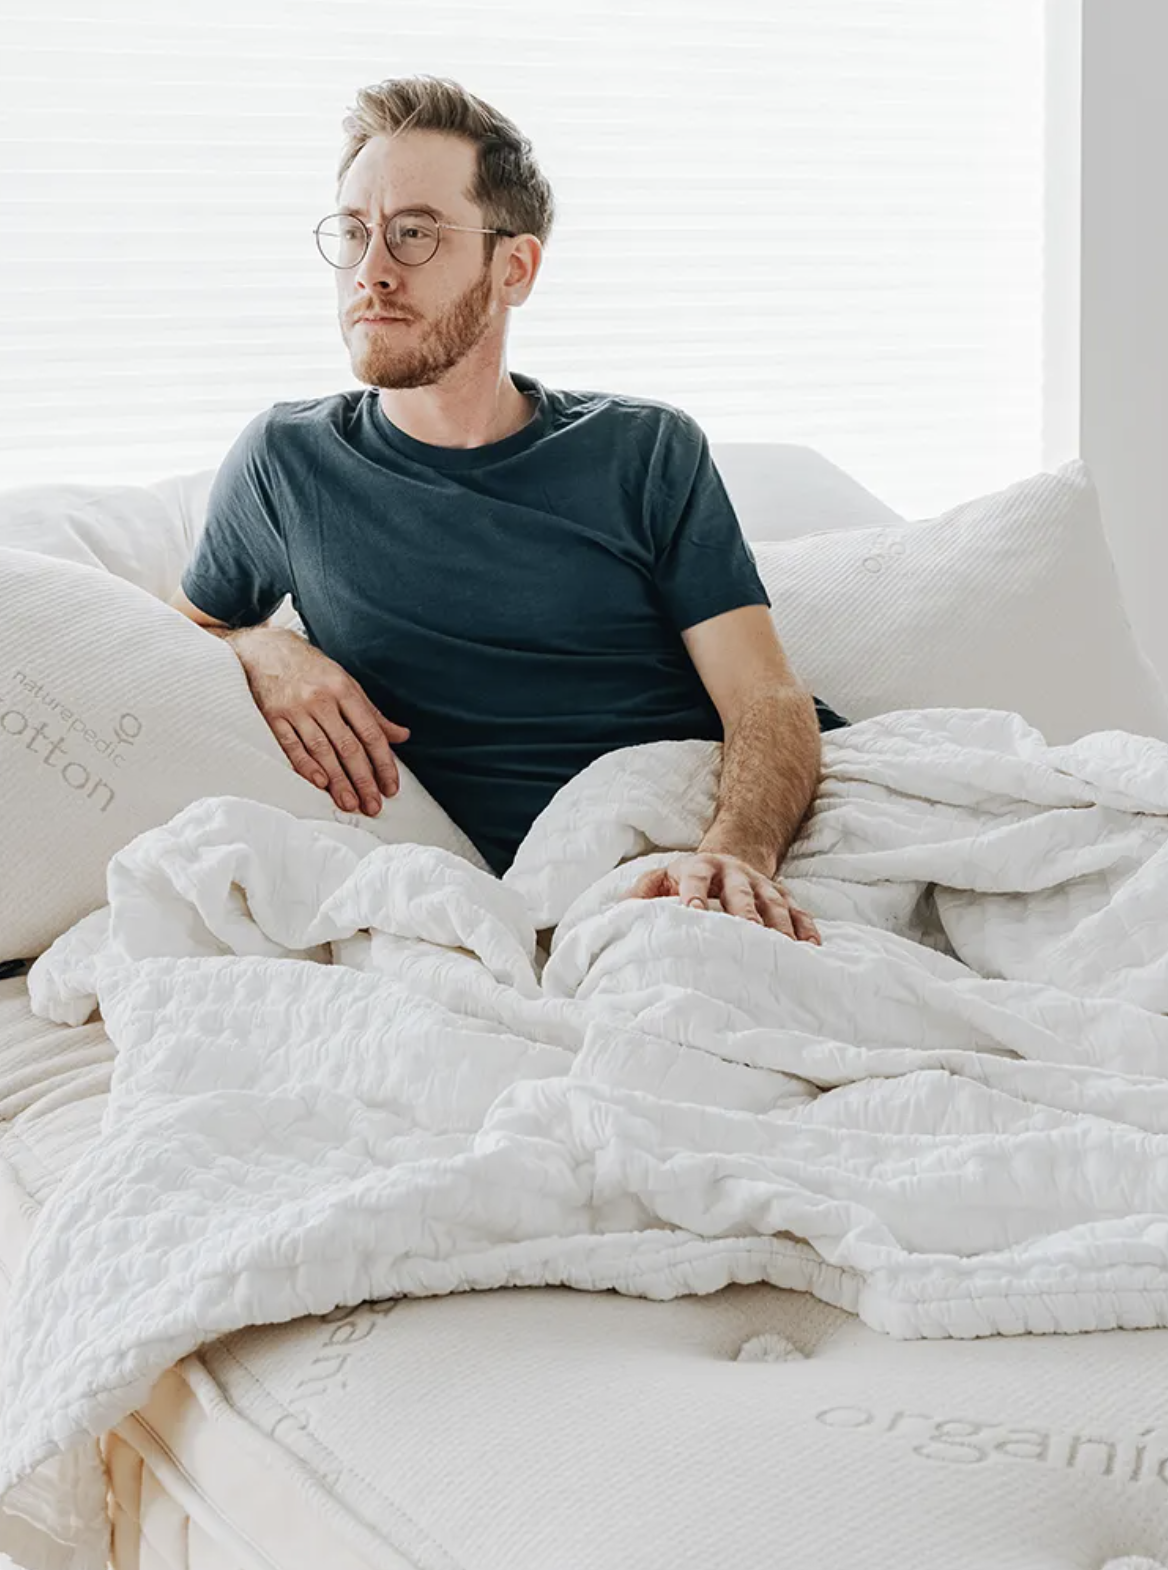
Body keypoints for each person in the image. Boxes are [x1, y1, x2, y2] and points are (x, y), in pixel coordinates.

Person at [173, 74, 845, 946]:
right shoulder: (286, 464)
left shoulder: (645, 450)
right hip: (530, 892)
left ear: (513, 267)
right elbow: (177, 640)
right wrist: (262, 646)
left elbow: (764, 698)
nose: (372, 271)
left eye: (415, 234)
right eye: (353, 233)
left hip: (706, 837)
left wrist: (739, 855)